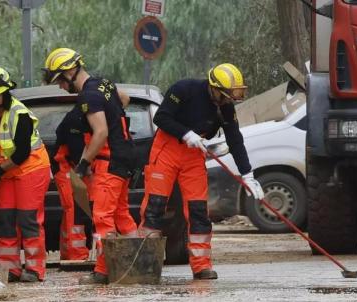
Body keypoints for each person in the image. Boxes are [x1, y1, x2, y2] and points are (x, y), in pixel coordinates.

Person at [139, 63, 265, 280]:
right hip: (167, 149)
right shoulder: (184, 89)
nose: (228, 102)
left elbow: (235, 139)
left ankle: (201, 265)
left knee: (198, 211)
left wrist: (248, 174)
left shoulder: (224, 106)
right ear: (214, 88)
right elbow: (161, 117)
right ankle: (145, 265)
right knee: (155, 208)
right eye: (225, 96)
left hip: (194, 154)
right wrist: (186, 133)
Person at [43, 48, 137, 285]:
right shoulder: (103, 84)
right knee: (122, 215)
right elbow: (124, 99)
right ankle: (137, 263)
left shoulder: (88, 96)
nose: (62, 87)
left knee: (102, 216)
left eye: (61, 81)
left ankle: (104, 271)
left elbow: (101, 132)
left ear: (71, 72)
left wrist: (83, 164)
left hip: (109, 161)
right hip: (125, 157)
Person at [0, 65, 51, 283]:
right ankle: (9, 269)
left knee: (28, 219)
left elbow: (21, 152)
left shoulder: (19, 114)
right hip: (6, 170)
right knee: (6, 220)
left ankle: (34, 268)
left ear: (6, 91)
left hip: (30, 168)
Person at [53, 107, 89, 260]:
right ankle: (77, 255)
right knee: (74, 210)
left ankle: (69, 252)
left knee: (72, 210)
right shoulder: (76, 119)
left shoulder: (82, 116)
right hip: (67, 166)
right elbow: (76, 150)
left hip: (73, 166)